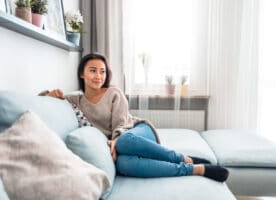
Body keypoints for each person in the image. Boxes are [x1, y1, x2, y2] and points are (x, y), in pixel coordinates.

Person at [43, 53, 229, 181]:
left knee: (123, 142)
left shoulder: (114, 93)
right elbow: (43, 98)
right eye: (92, 70)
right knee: (124, 165)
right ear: (82, 74)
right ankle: (194, 169)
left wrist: (116, 139)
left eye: (102, 71)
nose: (98, 76)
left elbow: (122, 123)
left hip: (136, 131)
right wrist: (49, 93)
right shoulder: (76, 99)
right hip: (118, 142)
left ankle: (182, 158)